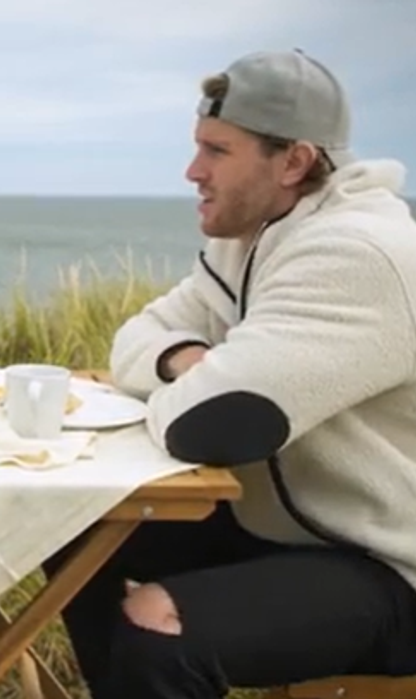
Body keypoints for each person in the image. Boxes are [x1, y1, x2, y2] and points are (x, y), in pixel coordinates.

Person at [45, 49, 416, 698]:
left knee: (155, 627)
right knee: (77, 531)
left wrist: (193, 381)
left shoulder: (353, 254)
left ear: (293, 162)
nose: (192, 171)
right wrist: (188, 360)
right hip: (288, 524)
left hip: (387, 560)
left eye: (216, 150)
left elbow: (209, 425)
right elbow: (132, 341)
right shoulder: (248, 238)